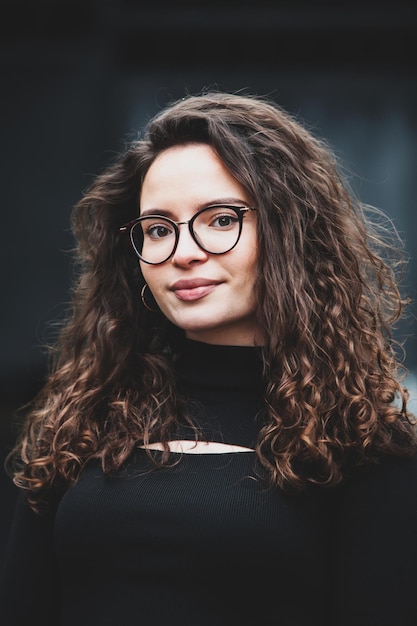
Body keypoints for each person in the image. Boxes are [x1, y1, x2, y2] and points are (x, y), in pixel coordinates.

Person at [1, 90, 417, 626]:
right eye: (157, 229)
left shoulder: (364, 443)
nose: (184, 250)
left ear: (288, 233)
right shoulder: (79, 420)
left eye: (220, 220)